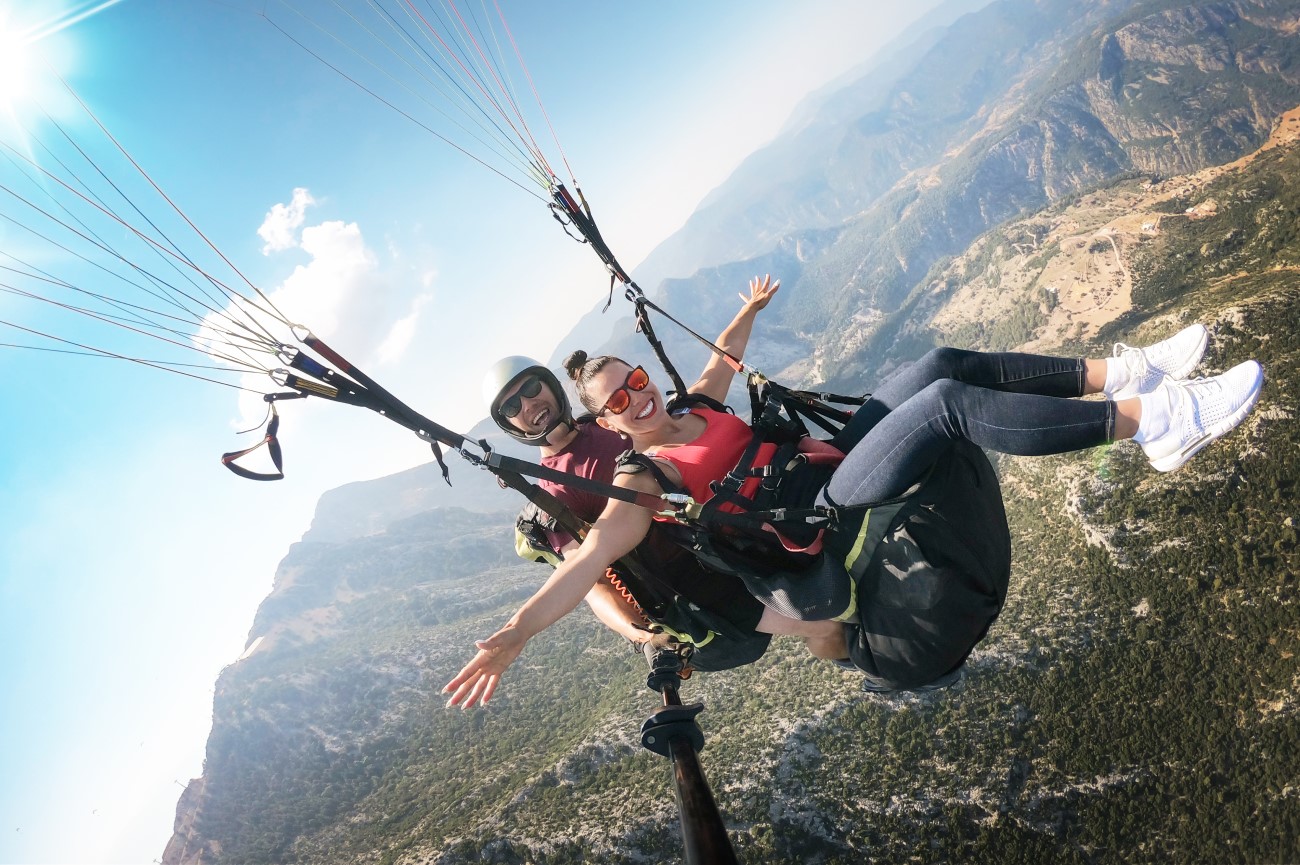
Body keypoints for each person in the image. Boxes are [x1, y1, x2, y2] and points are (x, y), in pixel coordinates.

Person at [445, 274, 1264, 707]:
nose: (636, 398)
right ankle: (1160, 421)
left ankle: (1128, 370)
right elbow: (593, 556)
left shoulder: (687, 406)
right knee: (944, 409)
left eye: (633, 381)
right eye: (617, 402)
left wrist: (748, 313)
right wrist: (517, 632)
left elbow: (719, 363)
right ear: (610, 426)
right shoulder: (643, 476)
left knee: (935, 365)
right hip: (826, 513)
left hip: (830, 456)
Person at [480, 354, 772, 671]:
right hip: (705, 589)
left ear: (550, 385)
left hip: (734, 536)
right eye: (512, 407)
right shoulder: (556, 491)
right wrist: (643, 637)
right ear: (509, 424)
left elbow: (692, 404)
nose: (528, 404)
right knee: (821, 625)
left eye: (532, 388)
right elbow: (593, 580)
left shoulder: (608, 419)